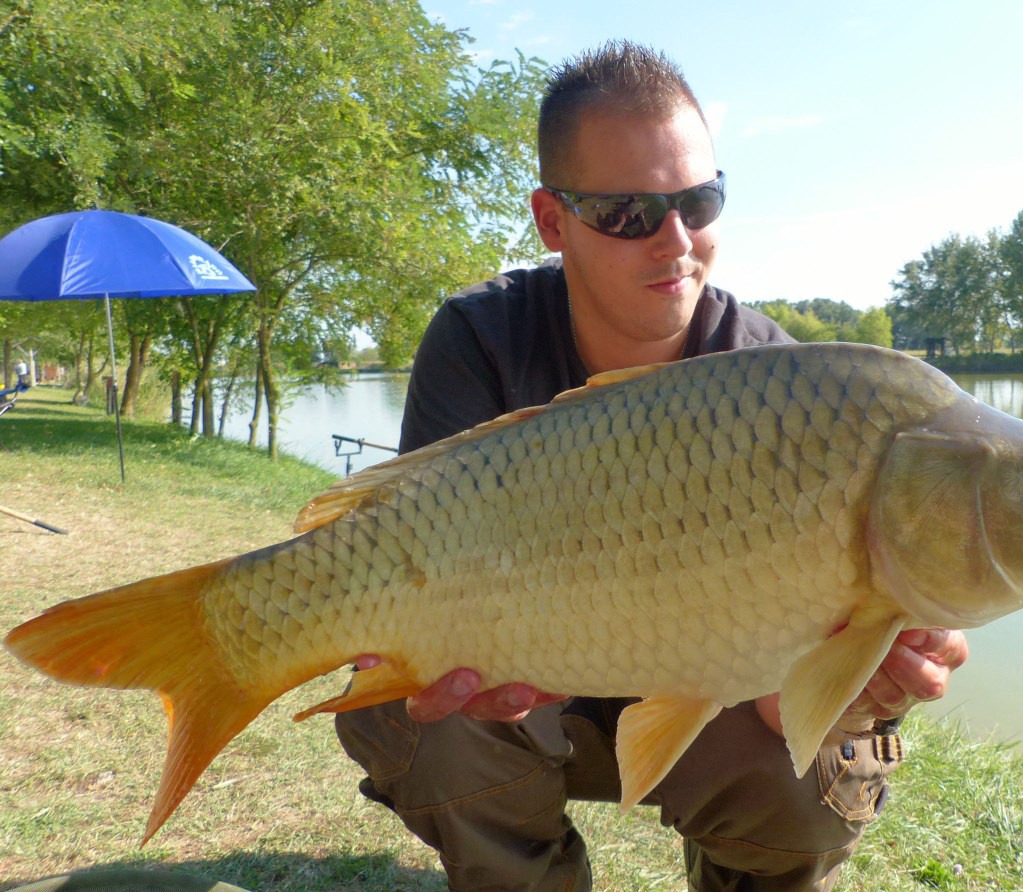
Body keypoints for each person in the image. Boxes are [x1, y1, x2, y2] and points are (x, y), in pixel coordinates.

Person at [335, 41, 969, 891]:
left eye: (699, 202)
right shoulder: (481, 339)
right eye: (627, 213)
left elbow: (785, 696)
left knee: (814, 769)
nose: (676, 242)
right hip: (525, 706)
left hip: (708, 704)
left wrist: (844, 688)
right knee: (415, 709)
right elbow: (405, 563)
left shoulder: (778, 383)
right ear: (553, 222)